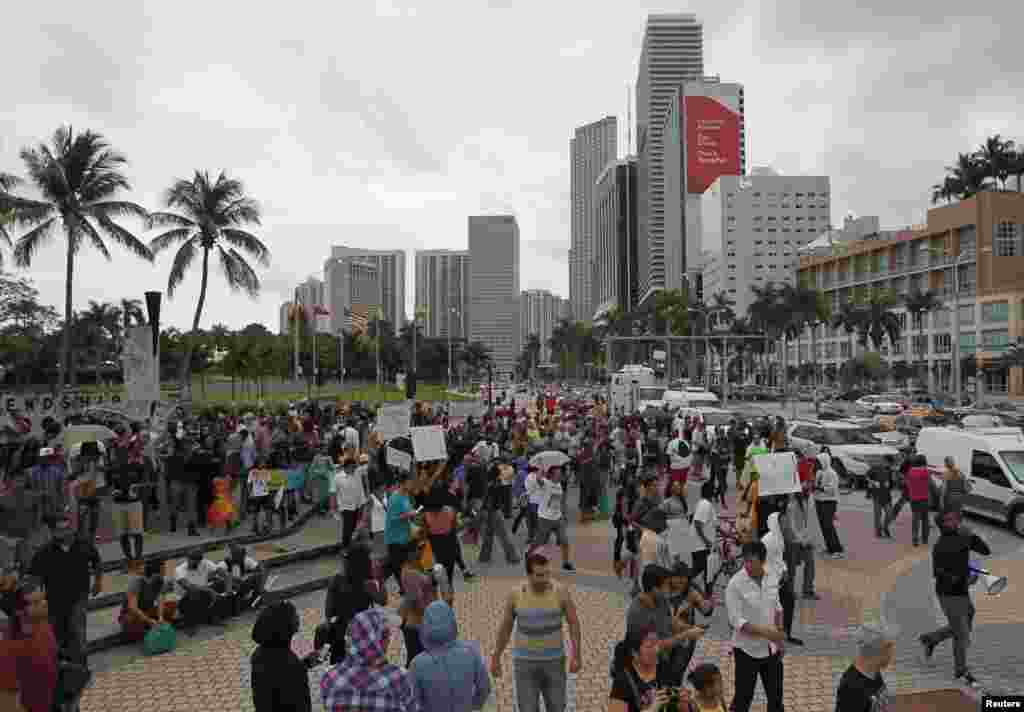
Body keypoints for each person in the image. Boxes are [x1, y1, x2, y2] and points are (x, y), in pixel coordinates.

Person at [490, 550, 582, 712]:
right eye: (540, 575)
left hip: (554, 662)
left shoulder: (561, 592)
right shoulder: (516, 595)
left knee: (557, 707)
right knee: (527, 708)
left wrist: (576, 654)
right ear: (529, 575)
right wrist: (496, 656)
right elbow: (506, 628)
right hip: (525, 664)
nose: (546, 579)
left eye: (547, 573)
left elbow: (573, 623)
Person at [918, 508, 991, 687]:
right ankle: (961, 671)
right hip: (948, 594)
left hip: (961, 592)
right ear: (942, 525)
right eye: (950, 520)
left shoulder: (964, 537)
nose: (955, 522)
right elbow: (940, 574)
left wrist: (973, 535)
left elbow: (985, 551)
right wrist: (966, 581)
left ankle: (931, 639)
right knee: (962, 634)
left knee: (966, 622)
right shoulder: (940, 547)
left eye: (954, 519)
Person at [29, 515, 102, 666]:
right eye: (60, 530)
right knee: (59, 634)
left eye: (67, 529)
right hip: (55, 599)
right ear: (54, 532)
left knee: (78, 630)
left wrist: (98, 582)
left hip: (79, 596)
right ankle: (64, 670)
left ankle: (82, 667)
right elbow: (35, 576)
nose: (65, 533)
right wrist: (38, 597)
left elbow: (96, 561)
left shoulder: (84, 545)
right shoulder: (44, 552)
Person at [724, 541, 786, 712]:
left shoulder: (772, 577)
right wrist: (766, 632)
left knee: (776, 697)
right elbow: (736, 620)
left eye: (752, 561)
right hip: (746, 650)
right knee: (743, 698)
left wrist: (779, 636)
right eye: (746, 560)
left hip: (770, 649)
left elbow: (778, 607)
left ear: (763, 560)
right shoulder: (735, 584)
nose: (747, 565)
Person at [321, 607, 420, 712]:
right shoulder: (400, 678)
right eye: (388, 636)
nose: (390, 639)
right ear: (381, 641)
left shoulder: (329, 678)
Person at [625, 564, 705, 688]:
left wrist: (689, 628)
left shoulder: (661, 600)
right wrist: (686, 635)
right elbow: (656, 646)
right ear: (654, 588)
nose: (670, 589)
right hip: (646, 666)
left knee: (672, 686)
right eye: (666, 585)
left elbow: (670, 621)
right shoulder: (637, 613)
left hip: (663, 659)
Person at [408, 601, 491, 712]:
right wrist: (474, 705)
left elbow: (412, 702)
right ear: (453, 623)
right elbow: (484, 688)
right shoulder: (471, 653)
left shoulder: (416, 664)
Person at [0, 576, 58, 712]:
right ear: (19, 611)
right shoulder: (9, 646)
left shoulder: (42, 624)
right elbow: (6, 703)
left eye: (43, 598)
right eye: (35, 602)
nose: (44, 604)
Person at [324, 543, 387, 665]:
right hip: (362, 630)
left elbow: (328, 610)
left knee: (340, 665)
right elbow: (383, 600)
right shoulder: (367, 584)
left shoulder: (336, 579)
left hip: (340, 630)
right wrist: (380, 578)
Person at [250, 600, 314, 712]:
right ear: (284, 626)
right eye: (294, 616)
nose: (298, 618)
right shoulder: (289, 664)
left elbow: (278, 680)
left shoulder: (260, 654)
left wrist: (305, 663)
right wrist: (299, 668)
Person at [608, 629, 682, 712]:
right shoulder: (622, 682)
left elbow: (674, 699)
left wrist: (680, 699)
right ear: (634, 653)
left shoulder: (664, 667)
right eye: (649, 646)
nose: (656, 650)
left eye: (657, 644)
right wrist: (651, 709)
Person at [834, 623, 896, 712]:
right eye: (887, 648)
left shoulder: (874, 672)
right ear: (873, 650)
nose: (891, 654)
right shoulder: (851, 688)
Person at [762, 512, 801, 646]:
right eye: (783, 522)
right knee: (774, 608)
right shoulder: (769, 539)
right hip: (770, 581)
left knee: (788, 601)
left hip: (779, 579)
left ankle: (786, 633)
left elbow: (779, 559)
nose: (786, 525)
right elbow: (764, 561)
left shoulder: (780, 538)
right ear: (776, 523)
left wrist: (784, 570)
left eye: (786, 521)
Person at [119, 558, 176, 641]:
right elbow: (133, 607)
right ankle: (146, 627)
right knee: (130, 621)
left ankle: (151, 625)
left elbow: (161, 599)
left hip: (148, 610)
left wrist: (160, 617)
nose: (165, 572)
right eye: (163, 569)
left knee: (171, 606)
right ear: (155, 573)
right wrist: (149, 620)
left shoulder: (160, 581)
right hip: (132, 613)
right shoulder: (136, 581)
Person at [530, 466, 575, 572]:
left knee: (564, 540)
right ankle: (530, 554)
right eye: (558, 473)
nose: (560, 475)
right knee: (540, 541)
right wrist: (541, 470)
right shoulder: (545, 483)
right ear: (552, 474)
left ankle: (565, 563)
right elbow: (538, 480)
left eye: (560, 473)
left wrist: (564, 515)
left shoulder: (559, 485)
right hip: (545, 518)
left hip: (558, 518)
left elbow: (561, 501)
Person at [175, 549, 228, 632]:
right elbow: (189, 587)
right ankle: (189, 623)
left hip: (203, 595)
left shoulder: (205, 563)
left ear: (200, 561)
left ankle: (212, 617)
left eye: (194, 560)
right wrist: (210, 591)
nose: (191, 562)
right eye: (190, 559)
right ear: (187, 558)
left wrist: (229, 588)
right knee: (194, 592)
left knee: (220, 584)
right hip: (184, 601)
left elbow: (223, 572)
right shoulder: (179, 570)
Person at [385, 477, 419, 594]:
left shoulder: (406, 496)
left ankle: (404, 587)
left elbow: (407, 511)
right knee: (396, 565)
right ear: (402, 484)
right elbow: (393, 518)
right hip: (394, 537)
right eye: (410, 482)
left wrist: (412, 513)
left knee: (401, 563)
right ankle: (402, 587)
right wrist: (408, 514)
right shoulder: (395, 498)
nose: (412, 485)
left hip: (405, 536)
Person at [789, 485, 818, 600]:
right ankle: (789, 592)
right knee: (791, 568)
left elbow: (810, 521)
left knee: (810, 565)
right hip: (795, 541)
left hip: (806, 540)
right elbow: (792, 526)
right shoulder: (792, 506)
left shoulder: (808, 501)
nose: (808, 492)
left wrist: (810, 538)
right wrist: (801, 540)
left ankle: (808, 591)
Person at [814, 452, 844, 558]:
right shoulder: (819, 472)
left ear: (825, 461)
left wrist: (820, 488)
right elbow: (815, 484)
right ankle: (829, 547)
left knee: (828, 526)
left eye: (819, 461)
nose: (817, 463)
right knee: (823, 526)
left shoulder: (832, 473)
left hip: (829, 502)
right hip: (819, 501)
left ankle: (837, 549)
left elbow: (832, 489)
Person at [690, 480, 718, 592]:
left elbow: (712, 524)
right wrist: (706, 541)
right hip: (700, 545)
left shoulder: (705, 504)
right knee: (704, 569)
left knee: (706, 570)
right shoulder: (705, 505)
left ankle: (707, 593)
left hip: (702, 545)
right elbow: (697, 524)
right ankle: (681, 583)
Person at [336, 456, 367, 549]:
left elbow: (367, 466)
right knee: (347, 528)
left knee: (354, 526)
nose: (354, 469)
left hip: (357, 505)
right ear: (346, 467)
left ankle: (351, 546)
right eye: (352, 467)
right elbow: (334, 492)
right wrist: (335, 507)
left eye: (355, 467)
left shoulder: (357, 473)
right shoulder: (338, 477)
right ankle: (345, 547)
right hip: (345, 507)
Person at [905, 454, 932, 547]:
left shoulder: (910, 471)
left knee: (915, 519)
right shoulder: (926, 471)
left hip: (914, 499)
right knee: (925, 519)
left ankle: (915, 538)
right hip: (924, 498)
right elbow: (930, 484)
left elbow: (908, 484)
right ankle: (925, 539)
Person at [866, 458, 894, 539]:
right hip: (877, 495)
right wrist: (873, 482)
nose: (888, 466)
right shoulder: (874, 468)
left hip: (887, 495)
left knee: (890, 514)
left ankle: (885, 527)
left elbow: (891, 482)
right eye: (888, 464)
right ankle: (878, 531)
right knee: (877, 515)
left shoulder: (889, 470)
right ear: (884, 461)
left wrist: (889, 484)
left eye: (889, 465)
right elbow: (867, 477)